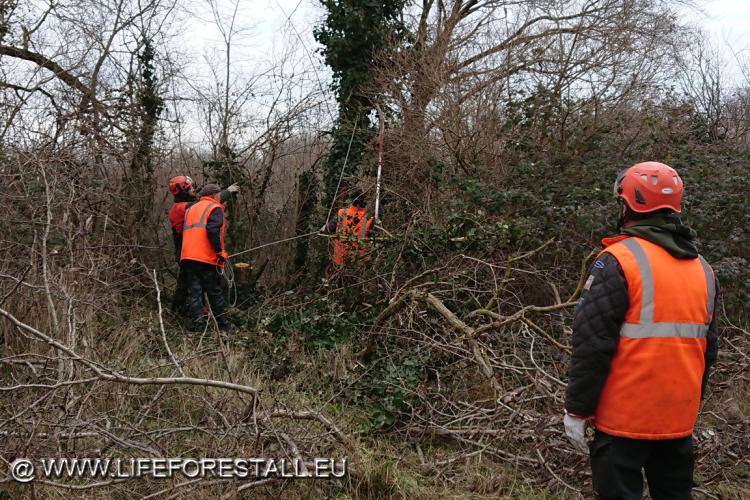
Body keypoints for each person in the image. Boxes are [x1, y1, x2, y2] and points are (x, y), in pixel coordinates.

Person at [564, 162, 719, 499]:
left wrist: (577, 408)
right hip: (677, 422)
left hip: (623, 423)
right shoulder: (703, 270)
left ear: (627, 204)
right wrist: (687, 405)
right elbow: (709, 352)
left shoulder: (617, 260)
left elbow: (592, 344)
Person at [166, 176, 238, 315]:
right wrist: (227, 192)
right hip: (187, 251)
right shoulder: (181, 208)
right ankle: (179, 313)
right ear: (183, 191)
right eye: (191, 188)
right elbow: (205, 205)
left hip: (189, 251)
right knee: (188, 286)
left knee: (190, 285)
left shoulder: (185, 205)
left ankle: (189, 312)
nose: (193, 190)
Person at [179, 183, 235, 332]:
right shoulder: (214, 208)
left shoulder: (191, 209)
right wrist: (220, 252)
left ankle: (198, 327)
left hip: (188, 258)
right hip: (205, 258)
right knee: (214, 292)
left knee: (195, 293)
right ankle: (222, 326)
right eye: (218, 194)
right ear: (214, 195)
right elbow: (212, 231)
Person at [321, 187, 376, 267]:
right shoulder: (369, 219)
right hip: (358, 263)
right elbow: (377, 237)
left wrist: (322, 229)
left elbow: (325, 230)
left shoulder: (342, 213)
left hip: (340, 261)